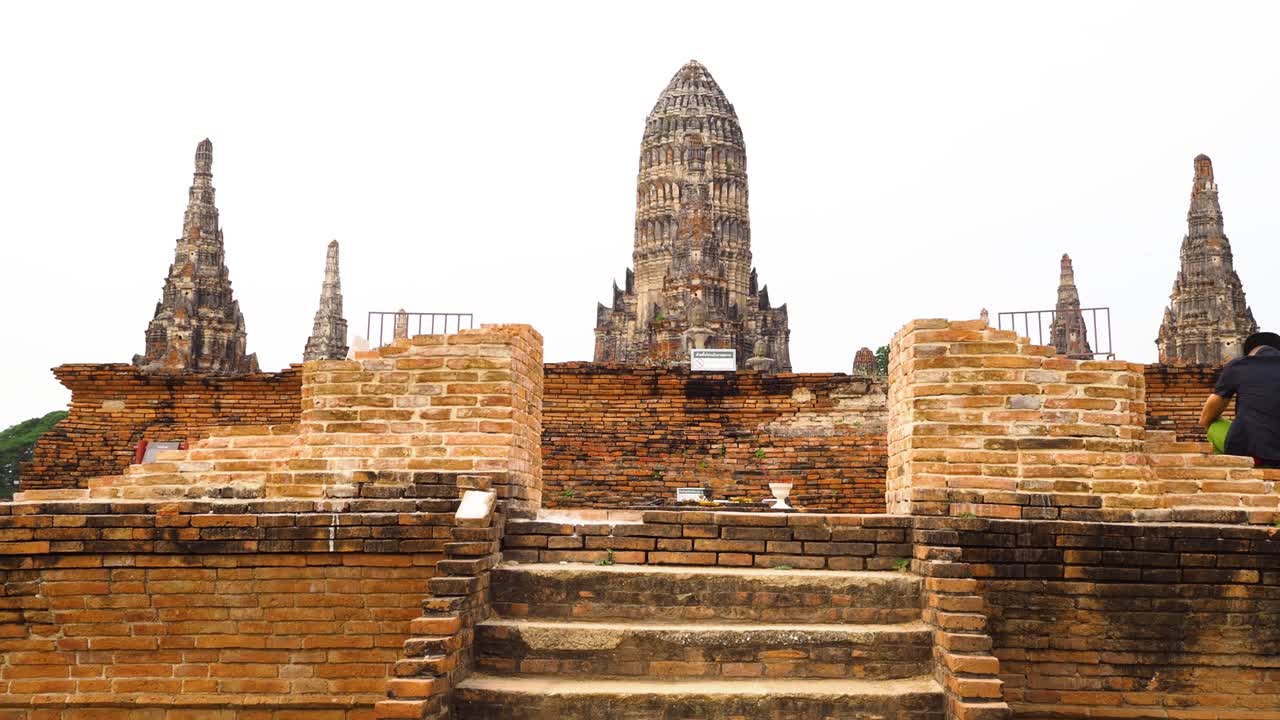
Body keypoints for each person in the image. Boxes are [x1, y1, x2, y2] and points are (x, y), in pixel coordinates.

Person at [1199, 331, 1280, 468]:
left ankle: (1235, 472)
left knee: (1214, 425)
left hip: (1253, 452)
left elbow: (1206, 417)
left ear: (1250, 353)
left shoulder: (1240, 365)